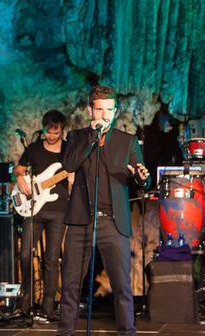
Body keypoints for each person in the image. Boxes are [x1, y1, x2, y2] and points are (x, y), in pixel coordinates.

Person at [58, 85, 149, 336]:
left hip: (113, 222)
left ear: (116, 111)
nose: (105, 115)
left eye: (109, 110)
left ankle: (127, 333)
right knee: (71, 286)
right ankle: (65, 332)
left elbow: (143, 178)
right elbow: (68, 164)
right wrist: (91, 138)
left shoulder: (127, 141)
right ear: (91, 110)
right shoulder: (77, 137)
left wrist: (141, 177)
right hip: (81, 221)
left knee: (121, 286)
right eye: (100, 109)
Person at [12, 110, 72, 321]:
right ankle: (25, 303)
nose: (52, 136)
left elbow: (75, 177)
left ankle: (48, 307)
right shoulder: (34, 148)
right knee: (25, 255)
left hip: (59, 211)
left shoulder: (69, 150)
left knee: (52, 259)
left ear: (62, 130)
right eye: (49, 132)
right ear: (44, 129)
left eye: (56, 132)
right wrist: (20, 178)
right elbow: (18, 169)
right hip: (33, 209)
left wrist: (73, 178)